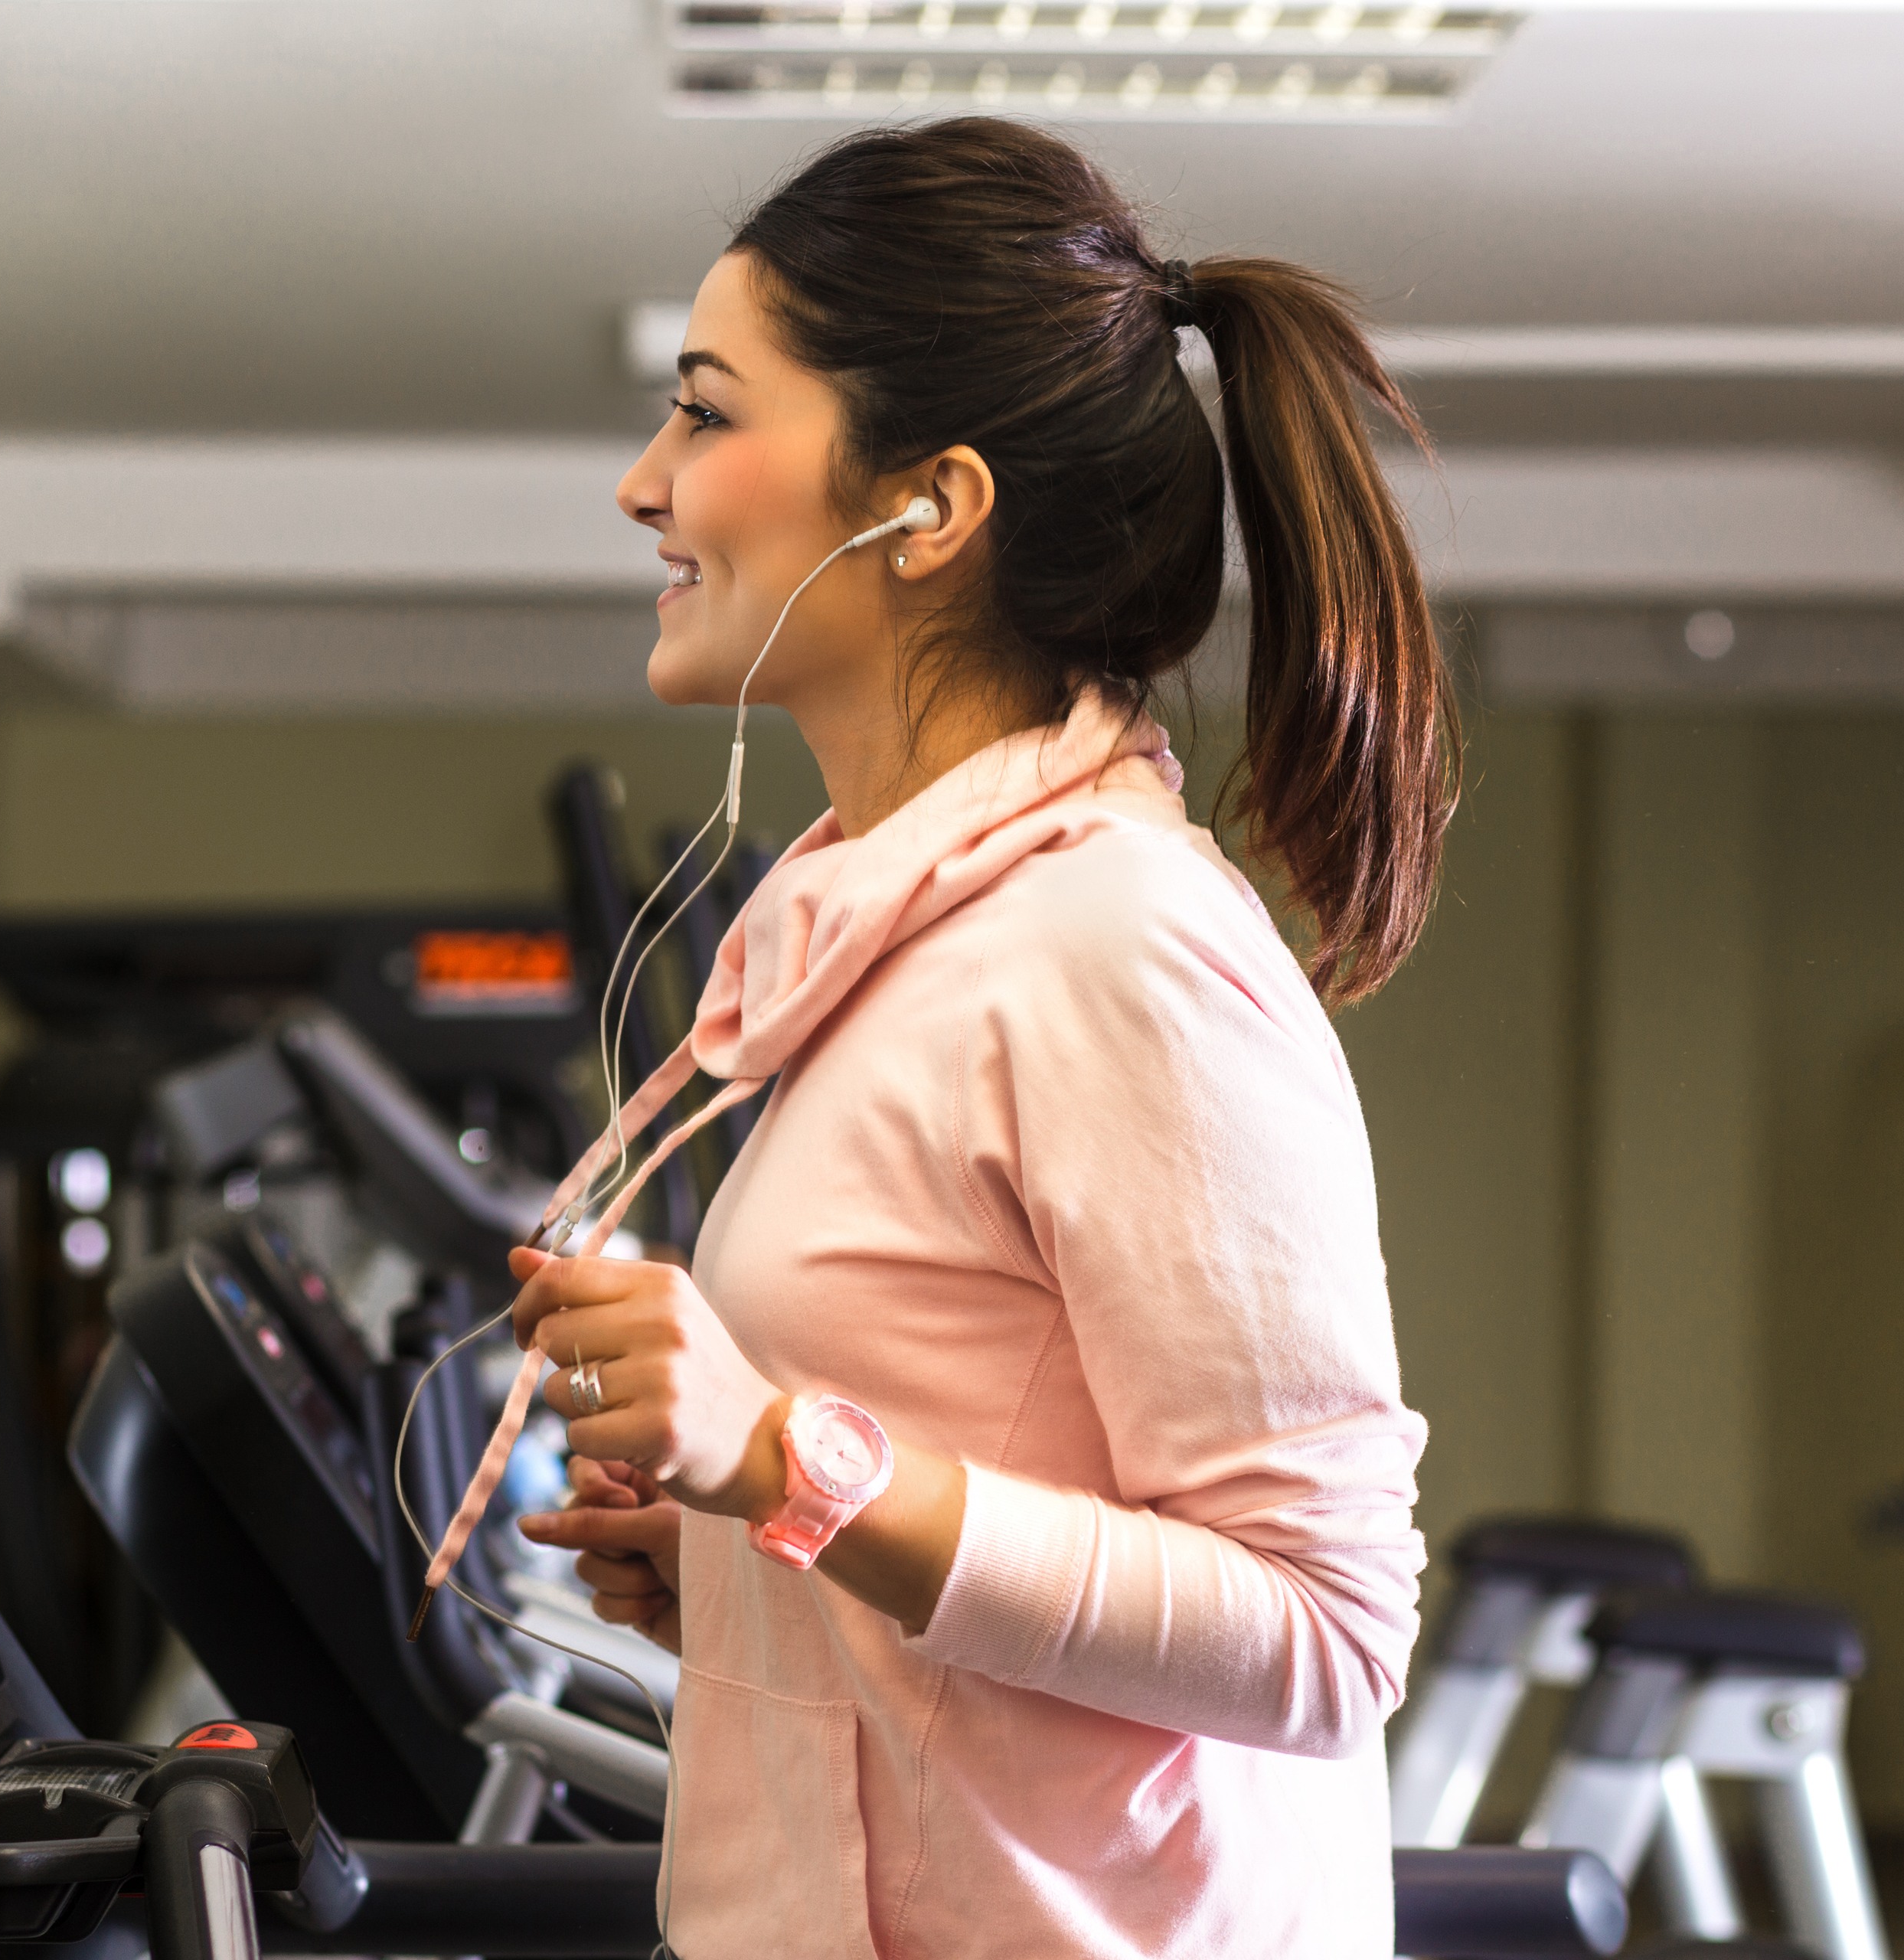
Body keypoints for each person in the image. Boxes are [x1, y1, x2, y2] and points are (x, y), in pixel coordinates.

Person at [507, 116, 1459, 1960]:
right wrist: (740, 1566)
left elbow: (1326, 1634)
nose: (645, 482)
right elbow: (1004, 1582)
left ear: (926, 509)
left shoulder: (1123, 947)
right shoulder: (892, 945)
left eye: (706, 413)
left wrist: (783, 1459)